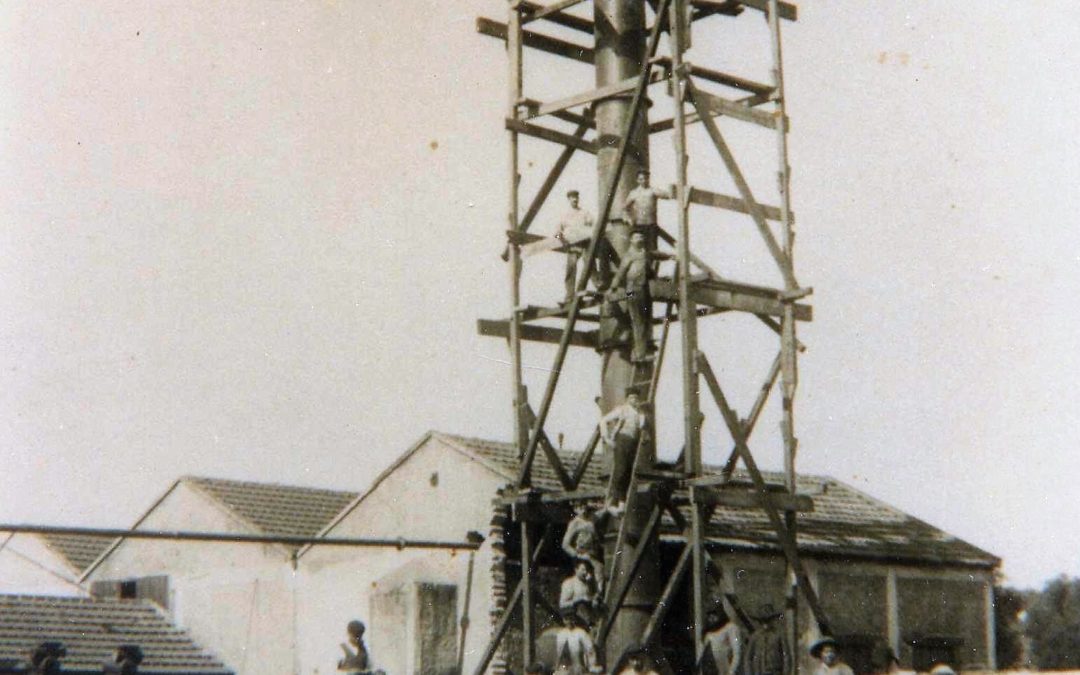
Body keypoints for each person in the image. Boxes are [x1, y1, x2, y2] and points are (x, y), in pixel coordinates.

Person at [608, 231, 671, 363]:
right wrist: (612, 288)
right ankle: (639, 354)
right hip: (633, 290)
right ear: (631, 240)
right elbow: (620, 273)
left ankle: (640, 351)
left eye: (641, 237)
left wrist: (659, 278)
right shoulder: (629, 255)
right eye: (636, 237)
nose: (640, 239)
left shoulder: (643, 254)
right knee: (638, 322)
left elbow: (648, 270)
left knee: (645, 321)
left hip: (644, 289)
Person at [599, 391, 648, 507]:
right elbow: (604, 420)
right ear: (627, 399)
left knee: (628, 472)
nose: (634, 400)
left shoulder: (640, 414)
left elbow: (642, 428)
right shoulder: (622, 409)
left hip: (633, 443)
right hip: (622, 440)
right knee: (620, 470)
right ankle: (612, 501)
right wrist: (606, 438)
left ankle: (622, 501)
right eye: (632, 398)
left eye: (636, 398)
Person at [555, 190, 596, 305]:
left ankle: (599, 286)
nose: (575, 200)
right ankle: (569, 296)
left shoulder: (584, 212)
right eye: (572, 198)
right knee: (571, 270)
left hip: (584, 244)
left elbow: (594, 224)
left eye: (576, 197)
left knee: (590, 266)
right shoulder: (564, 215)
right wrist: (563, 241)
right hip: (572, 245)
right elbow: (557, 232)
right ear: (569, 200)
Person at [622, 170, 673, 251]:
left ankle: (653, 263)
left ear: (648, 179)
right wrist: (628, 218)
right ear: (637, 180)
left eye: (646, 178)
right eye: (641, 179)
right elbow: (625, 208)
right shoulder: (634, 193)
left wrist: (672, 189)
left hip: (651, 225)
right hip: (639, 225)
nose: (644, 181)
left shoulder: (653, 190)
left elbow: (668, 195)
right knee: (639, 249)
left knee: (653, 249)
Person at [561, 502, 605, 594]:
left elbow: (604, 510)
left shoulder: (592, 518)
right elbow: (565, 544)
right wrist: (578, 555)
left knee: (600, 572)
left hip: (594, 553)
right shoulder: (574, 523)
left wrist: (598, 505)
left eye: (584, 507)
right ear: (575, 509)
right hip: (582, 555)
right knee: (586, 576)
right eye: (579, 508)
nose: (583, 510)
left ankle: (599, 596)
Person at [554, 603, 602, 675]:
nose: (569, 622)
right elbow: (558, 653)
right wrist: (556, 667)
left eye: (571, 619)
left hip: (578, 667)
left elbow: (590, 650)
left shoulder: (581, 633)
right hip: (564, 668)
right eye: (566, 619)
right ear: (563, 620)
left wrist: (592, 665)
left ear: (574, 619)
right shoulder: (560, 635)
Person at [742, 605, 789, 675]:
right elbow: (748, 658)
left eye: (768, 621)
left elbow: (786, 656)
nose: (765, 624)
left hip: (775, 672)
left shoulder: (778, 635)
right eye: (763, 621)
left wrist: (785, 672)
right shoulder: (755, 637)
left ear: (772, 620)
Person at [703, 610, 746, 675]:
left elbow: (737, 653)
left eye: (714, 616)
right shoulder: (708, 635)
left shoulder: (731, 628)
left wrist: (731, 671)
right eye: (710, 617)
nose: (712, 619)